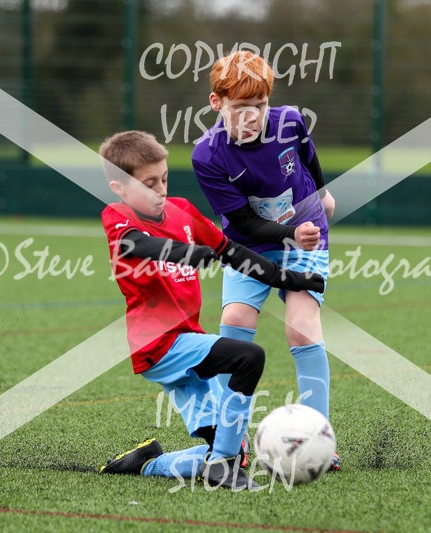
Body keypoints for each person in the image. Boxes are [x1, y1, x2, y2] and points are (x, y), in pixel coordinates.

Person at [97, 130, 324, 490]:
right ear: (119, 188)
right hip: (157, 343)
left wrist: (289, 278)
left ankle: (150, 463)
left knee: (230, 442)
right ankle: (224, 469)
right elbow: (136, 244)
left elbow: (232, 252)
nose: (160, 190)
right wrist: (187, 253)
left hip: (185, 338)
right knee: (248, 357)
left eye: (164, 179)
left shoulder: (182, 212)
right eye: (149, 184)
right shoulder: (117, 216)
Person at [191, 50, 339, 470]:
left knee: (301, 328)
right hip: (250, 244)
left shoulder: (290, 121)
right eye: (241, 107)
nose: (253, 116)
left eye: (260, 105)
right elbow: (241, 221)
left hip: (306, 239)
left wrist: (322, 196)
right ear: (216, 102)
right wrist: (288, 232)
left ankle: (320, 439)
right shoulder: (207, 155)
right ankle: (229, 440)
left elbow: (309, 158)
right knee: (235, 321)